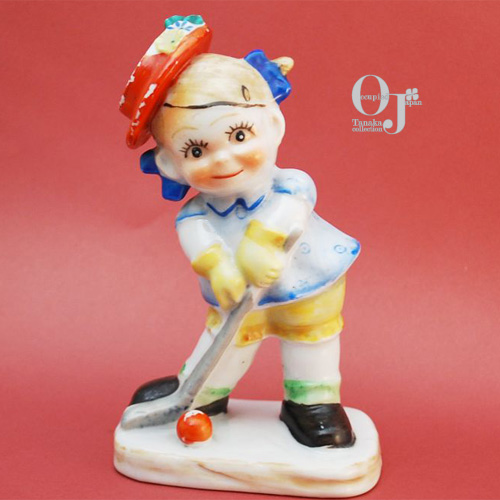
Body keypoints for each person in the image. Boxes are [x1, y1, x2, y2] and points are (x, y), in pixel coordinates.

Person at [120, 15, 360, 447]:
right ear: (171, 165)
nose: (223, 158)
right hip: (237, 293)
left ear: (273, 125)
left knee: (311, 340)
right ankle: (199, 394)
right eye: (196, 150)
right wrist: (221, 270)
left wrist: (260, 242)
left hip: (309, 282)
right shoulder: (195, 216)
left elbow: (290, 211)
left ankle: (312, 402)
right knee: (228, 339)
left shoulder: (290, 184)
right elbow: (202, 247)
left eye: (239, 135)